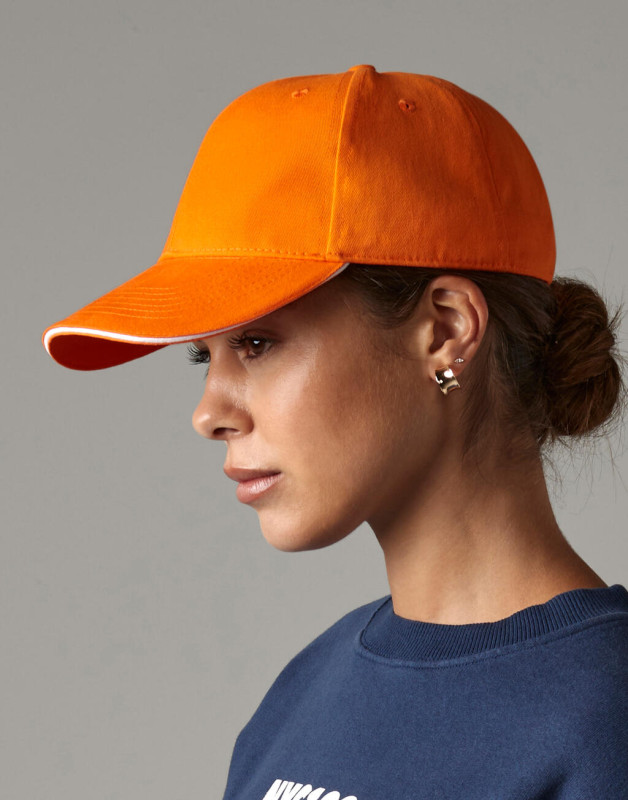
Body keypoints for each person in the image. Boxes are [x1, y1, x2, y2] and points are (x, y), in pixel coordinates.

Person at [42, 65, 628, 799]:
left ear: (445, 331)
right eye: (203, 355)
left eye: (257, 343)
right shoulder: (303, 697)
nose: (208, 412)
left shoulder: (604, 723)